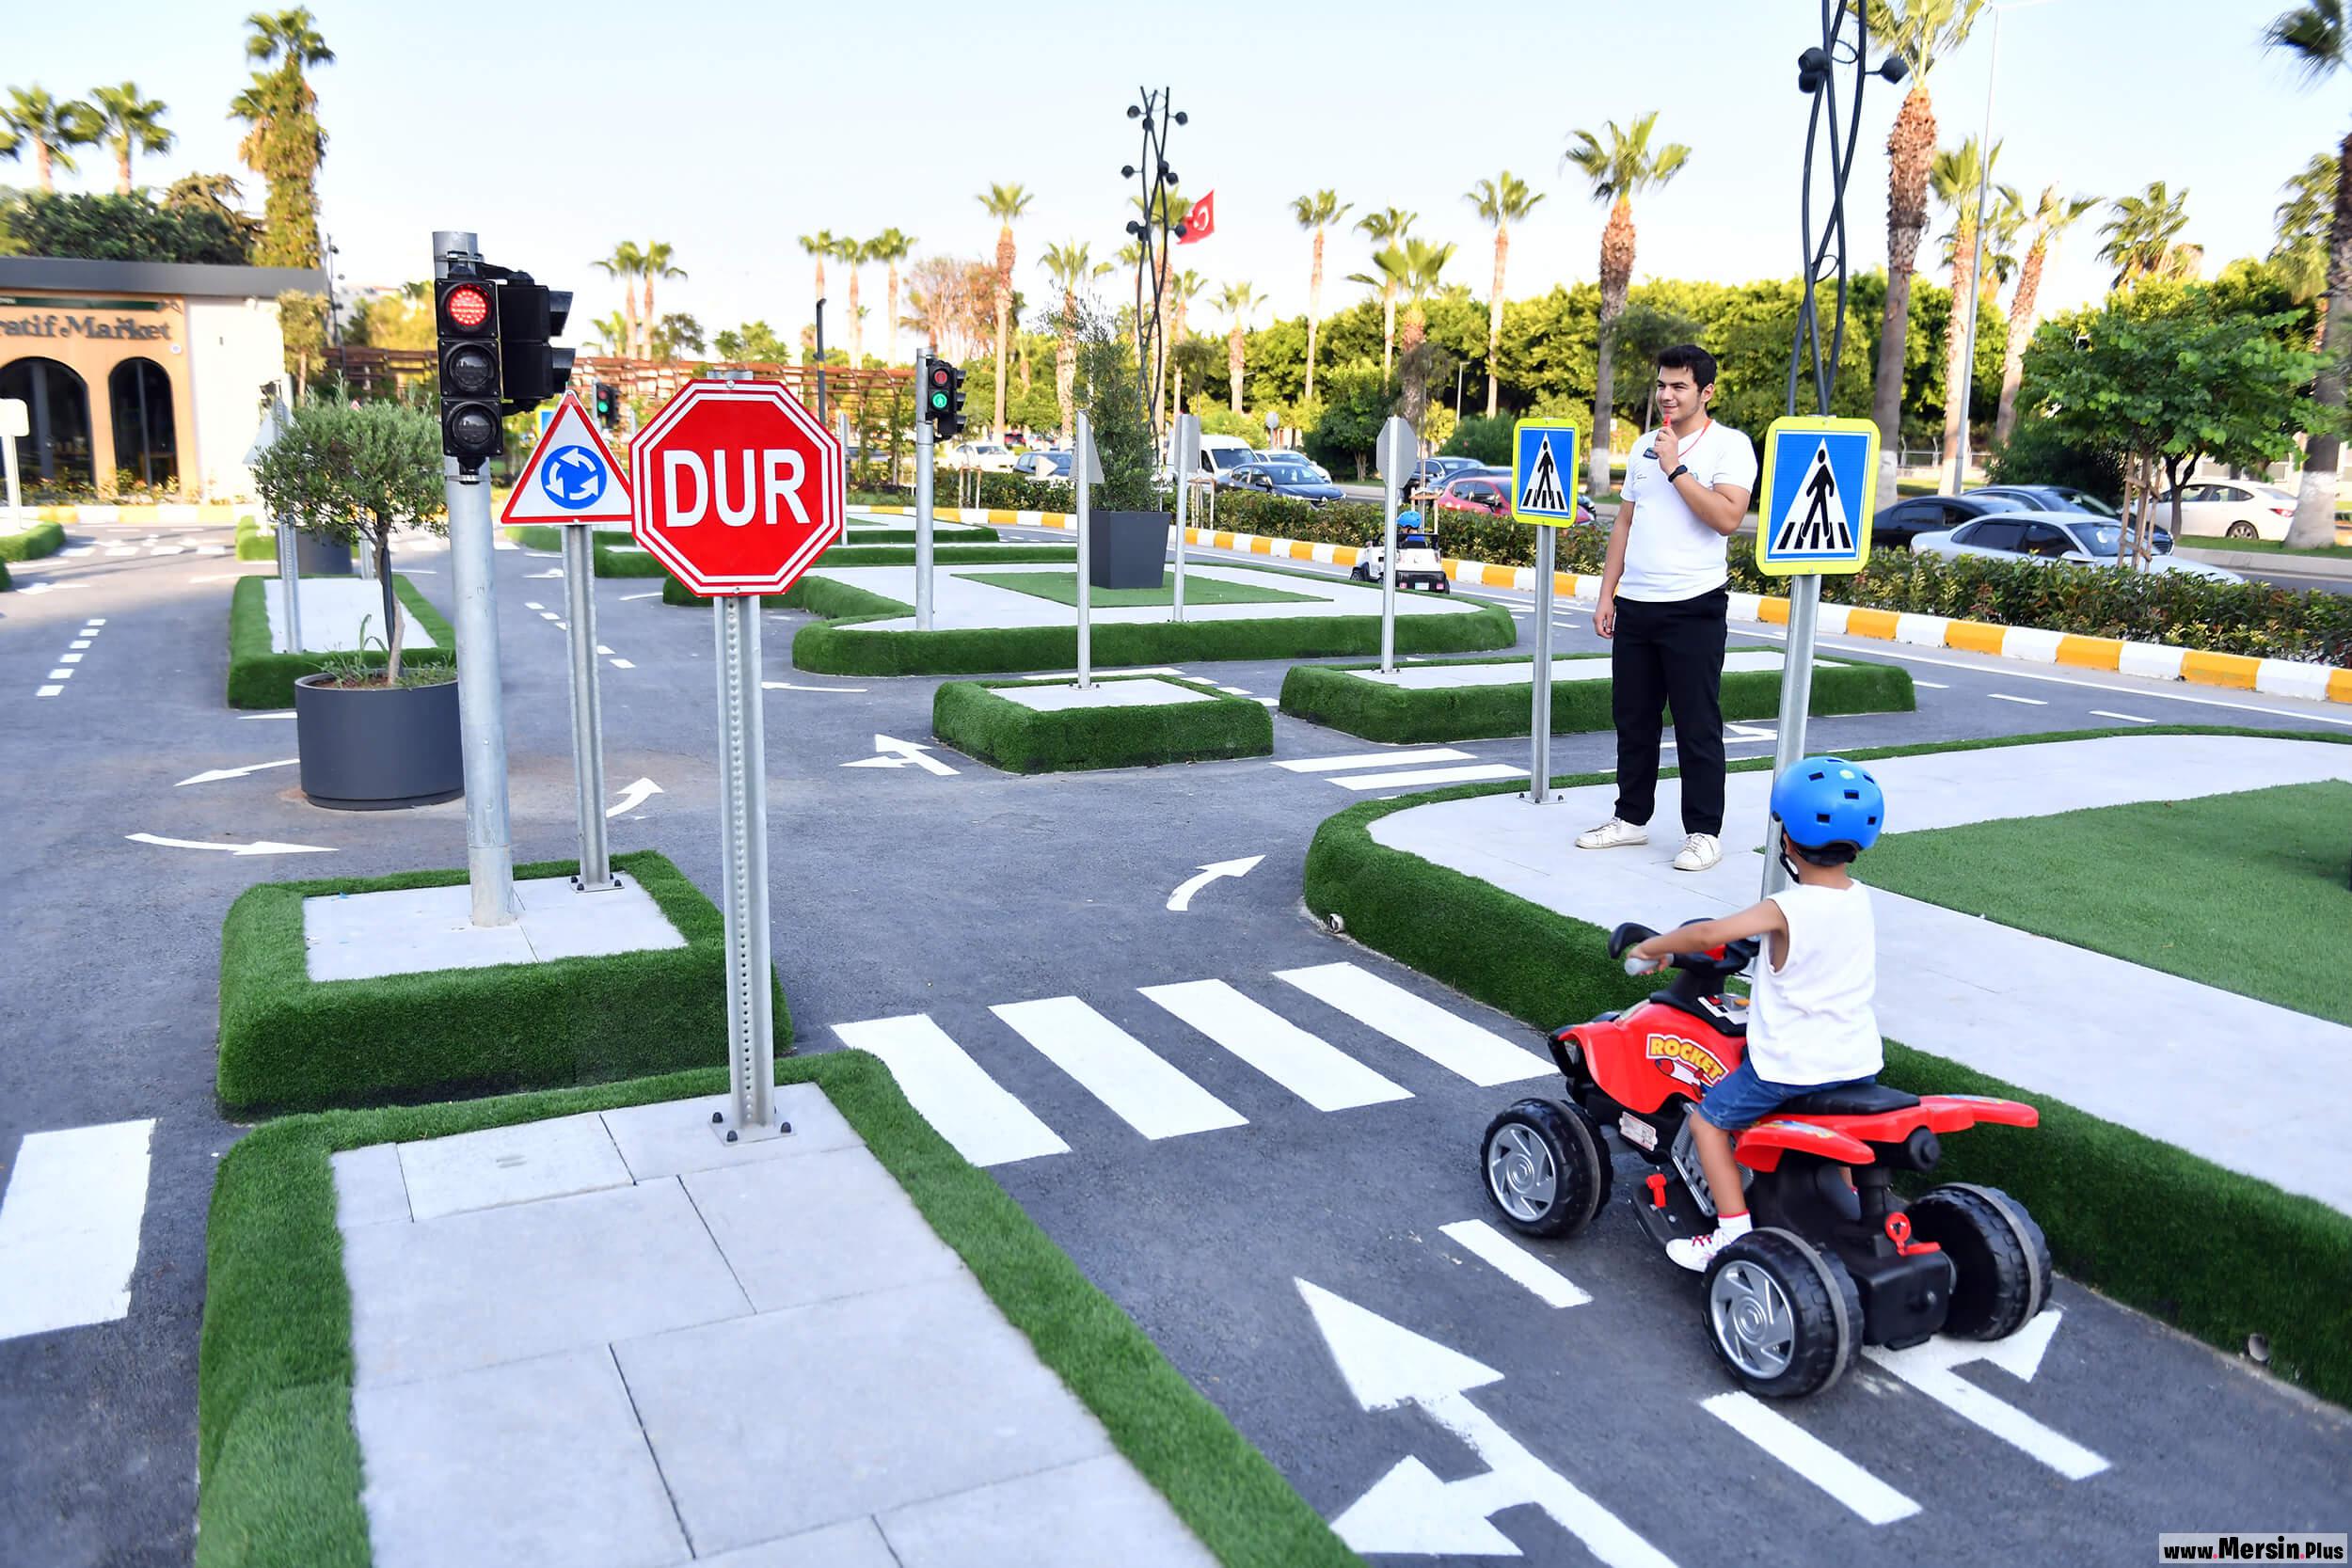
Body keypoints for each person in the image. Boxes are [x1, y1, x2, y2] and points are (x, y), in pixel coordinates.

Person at [1622, 756, 1886, 1272]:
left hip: (1790, 1067)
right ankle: (1854, 1219)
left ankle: (1729, 1231)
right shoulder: (1860, 900)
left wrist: (1654, 947)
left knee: (1708, 1123)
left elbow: (1706, 936)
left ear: (1787, 840)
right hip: (1857, 1061)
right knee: (1842, 1138)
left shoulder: (1786, 908)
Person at [1579, 345, 1758, 872]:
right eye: (1662, 385)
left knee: (1696, 724)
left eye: (1679, 386)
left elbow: (1726, 518)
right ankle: (1631, 819)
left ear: (1705, 392)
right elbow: (1624, 524)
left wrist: (1677, 468)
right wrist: (1607, 593)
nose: (1666, 395)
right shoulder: (1640, 448)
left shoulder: (1729, 447)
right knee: (1633, 719)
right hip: (1637, 604)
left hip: (1694, 606)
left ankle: (1703, 831)